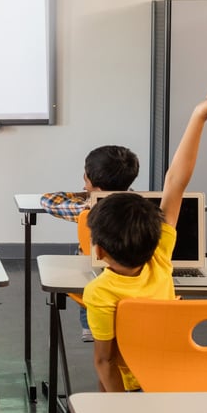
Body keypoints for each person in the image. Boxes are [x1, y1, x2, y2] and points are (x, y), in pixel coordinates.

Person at [86, 89, 207, 396]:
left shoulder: (99, 293)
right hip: (172, 378)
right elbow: (176, 181)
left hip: (132, 386)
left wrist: (122, 408)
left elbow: (104, 362)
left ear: (99, 250)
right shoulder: (160, 256)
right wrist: (199, 116)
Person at [40, 144, 141, 343]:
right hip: (138, 288)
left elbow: (48, 201)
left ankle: (89, 325)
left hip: (95, 289)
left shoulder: (85, 210)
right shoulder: (139, 206)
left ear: (95, 185)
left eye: (85, 178)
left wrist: (88, 197)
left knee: (87, 270)